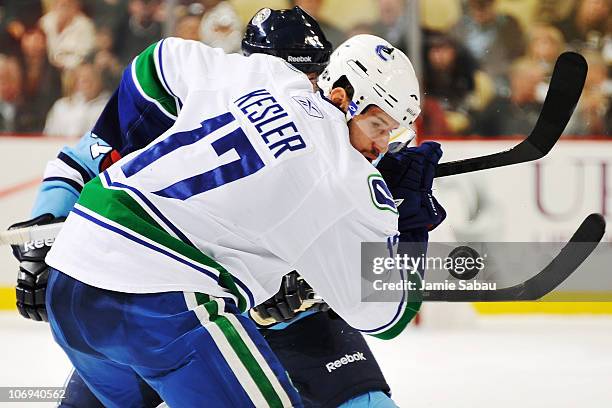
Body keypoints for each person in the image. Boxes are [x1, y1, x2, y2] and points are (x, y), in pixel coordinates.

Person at [10, 9, 444, 408]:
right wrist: (404, 214)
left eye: (313, 74)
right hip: (173, 296)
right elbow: (388, 309)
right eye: (299, 73)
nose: (305, 85)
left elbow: (159, 59)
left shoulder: (242, 79)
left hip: (101, 277)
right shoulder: (341, 173)